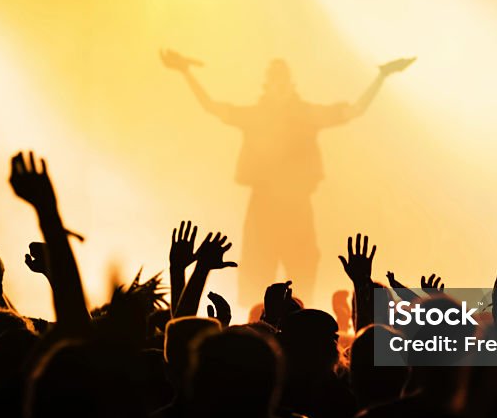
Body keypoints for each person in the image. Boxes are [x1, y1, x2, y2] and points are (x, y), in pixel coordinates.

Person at [161, 49, 415, 304]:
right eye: (274, 80)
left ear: (289, 84)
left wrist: (381, 76)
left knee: (302, 269)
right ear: (267, 85)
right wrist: (186, 73)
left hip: (296, 204)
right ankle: (256, 325)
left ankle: (301, 323)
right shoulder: (256, 116)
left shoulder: (305, 115)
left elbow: (353, 111)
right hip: (264, 204)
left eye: (282, 80)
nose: (279, 85)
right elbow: (212, 107)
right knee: (257, 271)